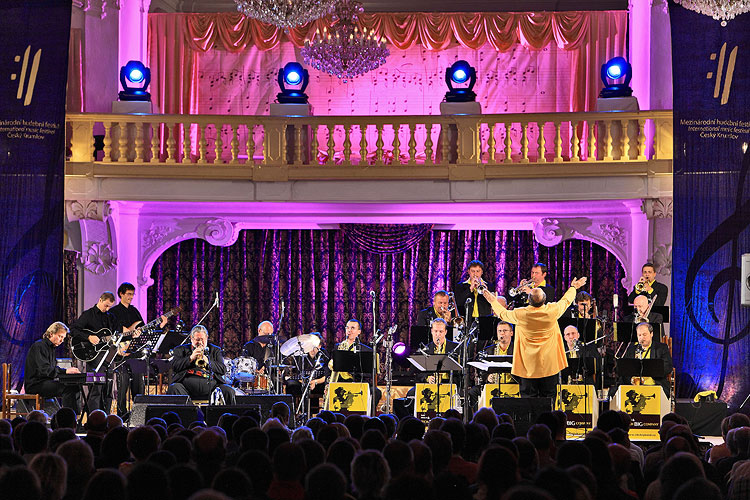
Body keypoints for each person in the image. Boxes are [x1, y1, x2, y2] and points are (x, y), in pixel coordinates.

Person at [483, 276, 588, 397]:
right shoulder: (552, 310)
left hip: (528, 367)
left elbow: (503, 314)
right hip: (549, 365)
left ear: (529, 300)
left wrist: (492, 301)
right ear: (544, 300)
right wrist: (574, 287)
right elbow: (566, 301)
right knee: (549, 400)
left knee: (528, 401)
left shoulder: (520, 313)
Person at [109, 282, 168, 419]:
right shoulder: (114, 312)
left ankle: (138, 416)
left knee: (138, 386)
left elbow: (143, 329)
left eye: (132, 294)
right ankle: (121, 415)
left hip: (135, 351)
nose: (131, 297)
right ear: (121, 294)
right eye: (128, 294)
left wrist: (161, 324)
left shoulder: (134, 311)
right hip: (121, 352)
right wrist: (126, 331)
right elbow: (112, 329)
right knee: (122, 386)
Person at [70, 292, 117, 412]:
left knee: (108, 387)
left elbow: (116, 334)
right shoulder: (88, 314)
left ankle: (105, 416)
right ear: (100, 300)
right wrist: (88, 337)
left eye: (109, 307)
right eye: (106, 305)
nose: (107, 309)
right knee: (96, 388)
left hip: (107, 355)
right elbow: (74, 330)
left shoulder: (110, 317)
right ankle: (94, 417)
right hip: (93, 355)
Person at [167, 325, 236, 404]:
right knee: (174, 388)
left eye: (202, 339)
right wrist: (190, 358)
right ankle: (190, 414)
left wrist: (208, 361)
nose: (200, 342)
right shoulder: (180, 349)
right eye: (197, 339)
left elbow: (222, 369)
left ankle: (225, 416)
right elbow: (175, 366)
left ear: (206, 337)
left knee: (228, 390)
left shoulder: (215, 350)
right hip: (186, 386)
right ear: (191, 338)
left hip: (211, 385)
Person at [24, 322, 81, 411]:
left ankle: (75, 417)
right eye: (60, 336)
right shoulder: (39, 346)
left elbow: (50, 370)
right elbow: (44, 370)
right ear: (51, 334)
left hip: (44, 382)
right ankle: (67, 418)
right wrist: (65, 371)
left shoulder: (51, 348)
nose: (62, 340)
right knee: (68, 388)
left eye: (63, 338)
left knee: (74, 386)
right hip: (35, 384)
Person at [327, 319, 381, 405]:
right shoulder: (338, 347)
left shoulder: (366, 350)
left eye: (352, 328)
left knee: (376, 392)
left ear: (359, 331)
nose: (349, 330)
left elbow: (370, 373)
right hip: (341, 382)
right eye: (347, 328)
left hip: (360, 382)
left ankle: (368, 416)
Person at [621, 322, 673, 397]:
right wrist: (631, 380)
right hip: (633, 388)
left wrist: (651, 370)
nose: (642, 338)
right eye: (639, 335)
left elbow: (668, 367)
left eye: (644, 335)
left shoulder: (661, 348)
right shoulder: (631, 349)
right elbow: (624, 369)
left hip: (655, 386)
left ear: (651, 334)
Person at [285, 333, 330, 414]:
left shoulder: (324, 354)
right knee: (290, 384)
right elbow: (297, 373)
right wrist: (305, 382)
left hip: (318, 384)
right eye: (310, 347)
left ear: (319, 346)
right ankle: (292, 413)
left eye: (315, 347)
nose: (312, 350)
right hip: (303, 383)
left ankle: (313, 413)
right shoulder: (301, 354)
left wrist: (315, 382)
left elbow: (327, 375)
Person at [454, 260, 493, 326]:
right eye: (473, 271)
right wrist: (470, 289)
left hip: (485, 319)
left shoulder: (489, 286)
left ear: (482, 272)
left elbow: (492, 303)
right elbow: (458, 302)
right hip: (467, 320)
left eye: (478, 271)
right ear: (468, 272)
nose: (475, 274)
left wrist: (485, 291)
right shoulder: (460, 286)